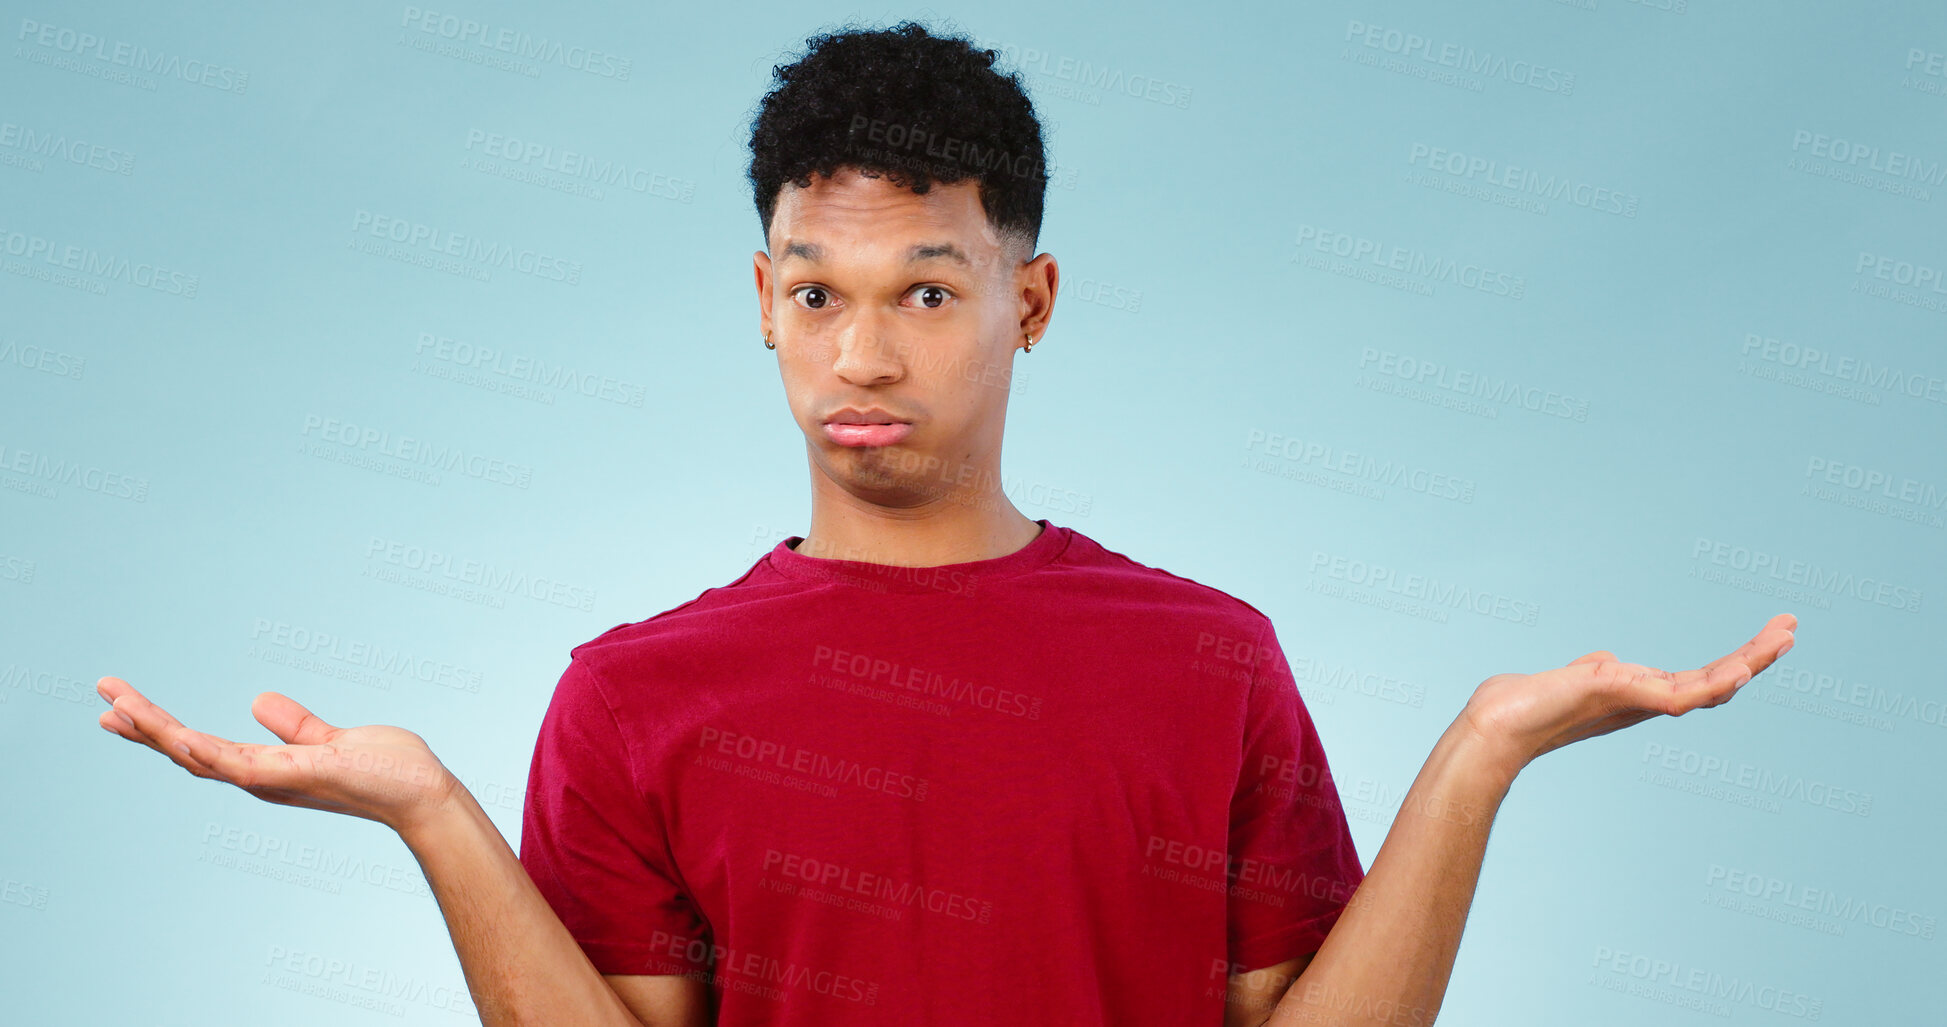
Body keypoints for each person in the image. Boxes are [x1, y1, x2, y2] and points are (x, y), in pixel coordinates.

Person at [93, 20, 1797, 1027]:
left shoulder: (1209, 656)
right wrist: (430, 814)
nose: (862, 348)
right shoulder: (631, 695)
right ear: (762, 299)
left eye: (926, 286)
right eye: (818, 290)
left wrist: (1485, 752)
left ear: (1029, 298)